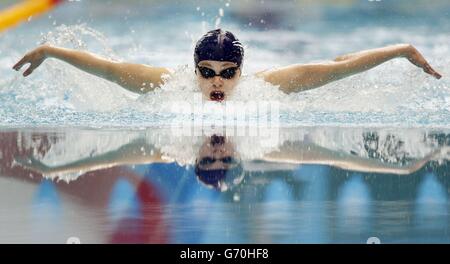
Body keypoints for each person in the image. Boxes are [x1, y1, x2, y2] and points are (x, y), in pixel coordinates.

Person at [13, 29, 442, 102]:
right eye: (206, 72)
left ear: (241, 72)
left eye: (226, 73)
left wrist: (399, 50)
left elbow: (335, 68)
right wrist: (51, 50)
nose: (216, 82)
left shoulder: (268, 86)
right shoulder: (167, 87)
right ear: (193, 68)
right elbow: (107, 66)